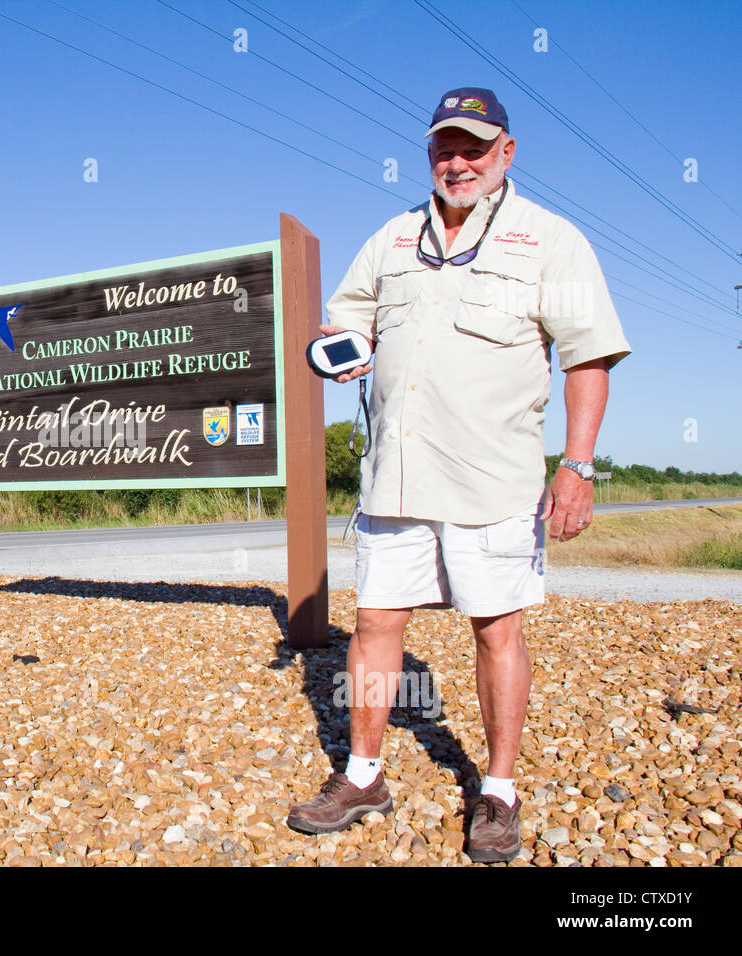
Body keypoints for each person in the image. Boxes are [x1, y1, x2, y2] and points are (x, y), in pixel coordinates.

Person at [286, 87, 631, 863]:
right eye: (446, 146)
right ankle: (364, 774)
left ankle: (499, 792)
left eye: (475, 147)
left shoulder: (551, 240)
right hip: (395, 478)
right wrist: (337, 347)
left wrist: (577, 465)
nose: (458, 161)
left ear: (506, 152)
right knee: (375, 628)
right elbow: (343, 320)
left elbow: (589, 356)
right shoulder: (393, 236)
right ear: (429, 154)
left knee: (497, 629)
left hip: (493, 480)